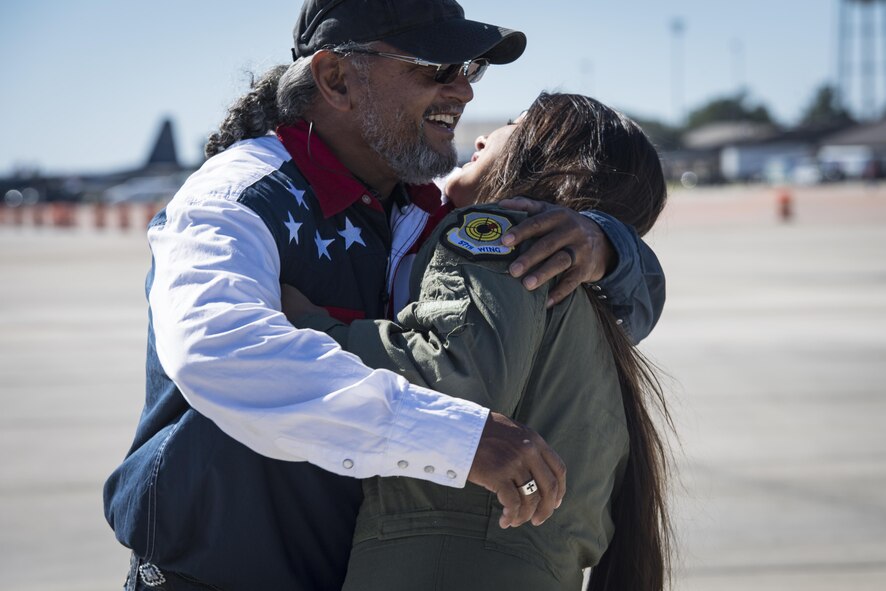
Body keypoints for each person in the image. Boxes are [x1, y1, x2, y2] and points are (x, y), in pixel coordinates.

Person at [103, 2, 666, 590]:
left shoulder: (425, 208)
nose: (464, 92)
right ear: (337, 79)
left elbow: (612, 305)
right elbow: (216, 352)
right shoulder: (237, 196)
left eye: (468, 68)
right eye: (434, 66)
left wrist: (608, 243)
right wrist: (457, 439)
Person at [283, 93, 673, 590]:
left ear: (555, 157)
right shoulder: (597, 316)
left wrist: (307, 326)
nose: (484, 135)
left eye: (514, 124)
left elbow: (456, 382)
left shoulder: (499, 235)